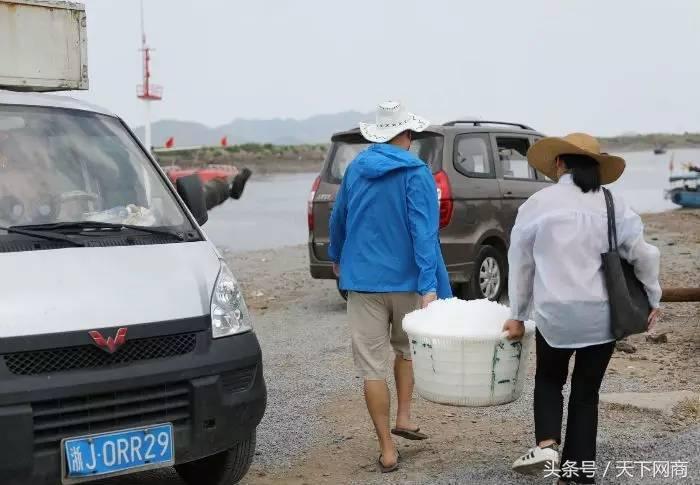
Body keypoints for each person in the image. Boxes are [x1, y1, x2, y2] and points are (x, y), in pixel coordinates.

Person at [502, 133, 661, 485]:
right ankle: (578, 475)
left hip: (554, 314)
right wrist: (654, 297)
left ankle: (546, 445)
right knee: (586, 394)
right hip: (601, 316)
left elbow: (521, 263)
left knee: (549, 380)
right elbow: (646, 255)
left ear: (559, 163)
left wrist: (517, 314)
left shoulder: (538, 203)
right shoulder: (612, 204)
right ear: (595, 166)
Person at [328, 101, 451, 473]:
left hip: (362, 282)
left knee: (370, 367)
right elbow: (424, 232)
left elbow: (339, 217)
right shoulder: (417, 172)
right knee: (407, 350)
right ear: (407, 135)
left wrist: (336, 256)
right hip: (407, 280)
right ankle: (405, 415)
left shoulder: (355, 170)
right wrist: (429, 286)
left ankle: (386, 449)